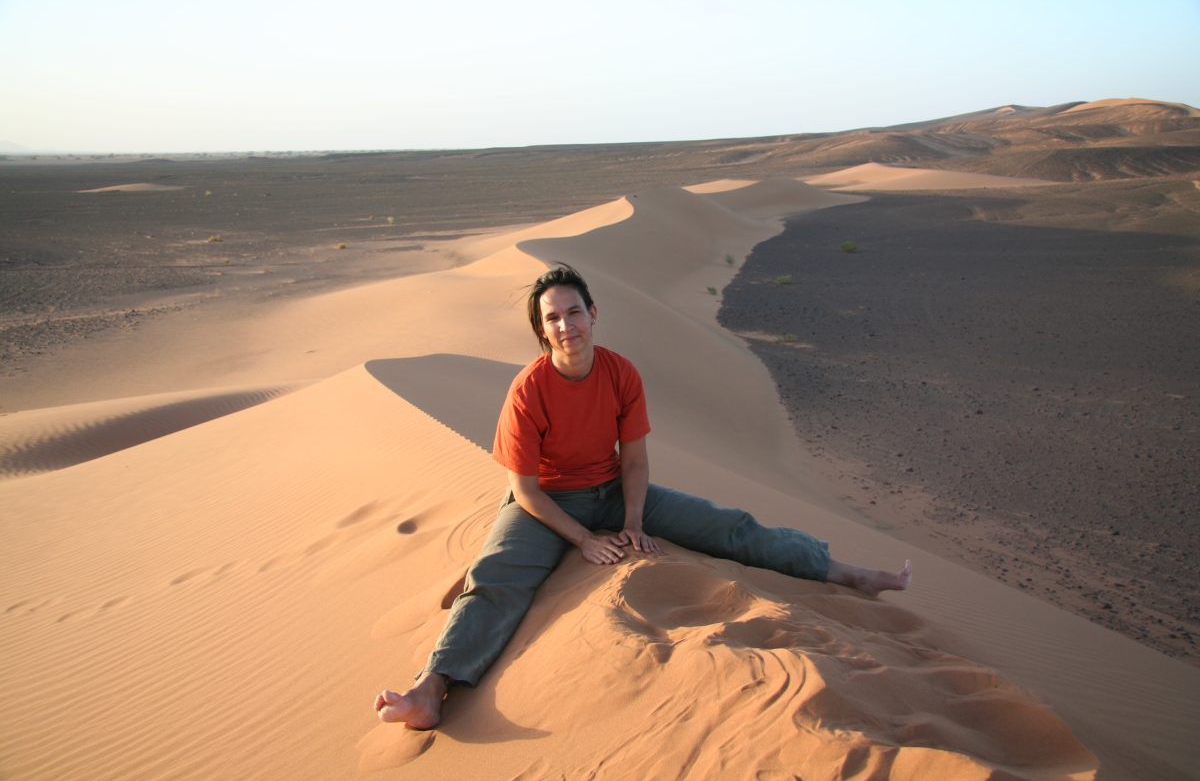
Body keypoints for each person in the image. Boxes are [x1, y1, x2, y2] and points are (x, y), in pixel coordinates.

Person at [375, 263, 911, 729]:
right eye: (553, 318)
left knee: (727, 527)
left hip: (613, 490)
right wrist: (583, 540)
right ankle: (431, 687)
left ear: (593, 313)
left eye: (574, 312)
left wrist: (633, 521)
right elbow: (524, 489)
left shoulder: (620, 372)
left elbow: (634, 460)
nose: (566, 326)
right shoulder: (528, 391)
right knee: (496, 580)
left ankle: (841, 570)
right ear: (541, 330)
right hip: (546, 507)